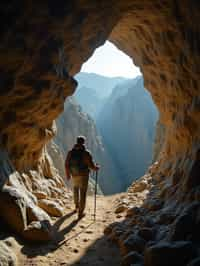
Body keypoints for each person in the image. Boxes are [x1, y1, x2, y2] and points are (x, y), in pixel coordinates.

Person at [65, 136, 100, 219]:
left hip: (74, 175)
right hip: (84, 176)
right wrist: (97, 167)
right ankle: (80, 212)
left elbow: (66, 164)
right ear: (83, 142)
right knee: (83, 193)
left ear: (76, 142)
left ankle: (76, 206)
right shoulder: (86, 153)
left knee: (75, 189)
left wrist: (68, 174)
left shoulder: (70, 152)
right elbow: (91, 166)